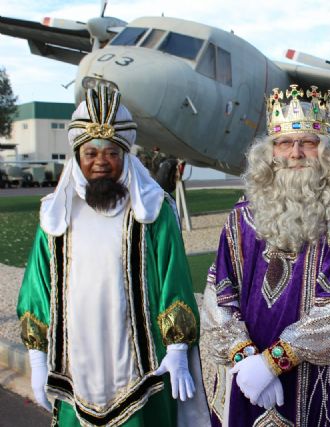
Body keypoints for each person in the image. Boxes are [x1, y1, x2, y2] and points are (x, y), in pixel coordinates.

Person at [202, 84, 330, 426]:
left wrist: (271, 363)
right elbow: (219, 292)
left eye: (308, 142)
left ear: (328, 150)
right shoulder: (242, 215)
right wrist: (243, 356)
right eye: (284, 143)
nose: (295, 153)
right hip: (251, 379)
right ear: (270, 152)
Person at [17, 85, 210, 426]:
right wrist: (36, 357)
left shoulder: (152, 210)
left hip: (144, 377)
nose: (101, 163)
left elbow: (174, 280)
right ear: (77, 156)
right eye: (91, 153)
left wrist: (178, 348)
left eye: (111, 153)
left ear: (125, 155)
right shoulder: (55, 216)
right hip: (74, 375)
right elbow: (38, 287)